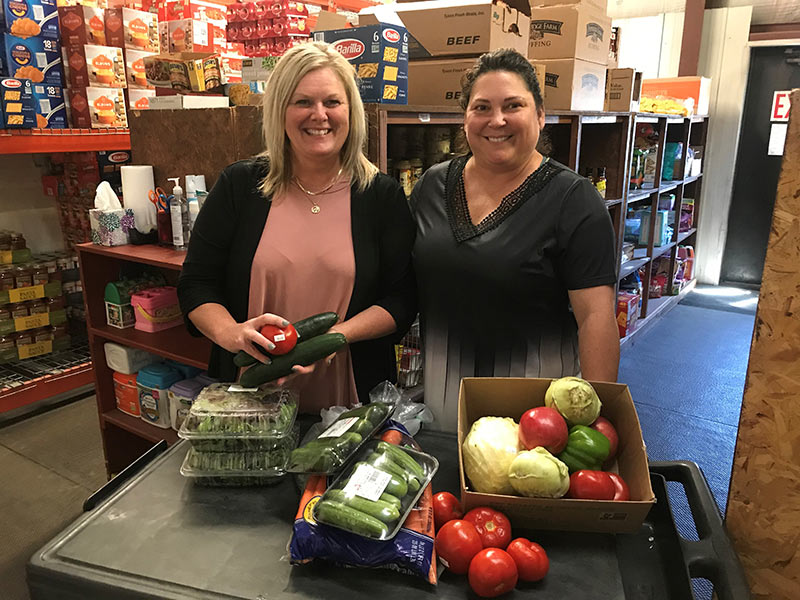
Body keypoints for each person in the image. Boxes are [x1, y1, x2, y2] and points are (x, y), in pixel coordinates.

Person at [178, 42, 416, 412]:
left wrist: (337, 336)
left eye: (332, 102)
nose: (318, 115)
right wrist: (231, 333)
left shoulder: (380, 195)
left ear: (350, 111)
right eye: (302, 102)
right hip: (249, 399)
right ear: (279, 112)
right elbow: (196, 283)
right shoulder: (240, 187)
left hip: (351, 400)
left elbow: (402, 299)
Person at [410, 49, 619, 431]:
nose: (497, 120)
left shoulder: (573, 201)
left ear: (540, 115)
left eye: (513, 105)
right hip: (442, 407)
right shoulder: (430, 187)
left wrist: (594, 418)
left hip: (537, 420)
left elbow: (596, 318)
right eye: (482, 107)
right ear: (465, 118)